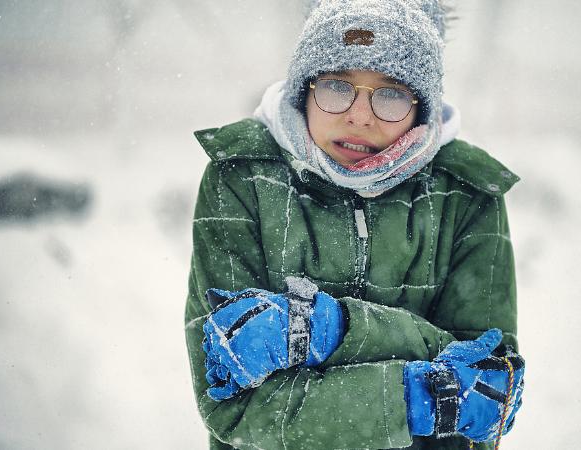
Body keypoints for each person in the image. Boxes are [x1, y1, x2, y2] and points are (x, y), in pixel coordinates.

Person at [184, 1, 525, 449]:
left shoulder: (466, 194)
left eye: (390, 93)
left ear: (421, 106)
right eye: (337, 85)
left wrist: (330, 330)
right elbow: (233, 407)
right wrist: (421, 396)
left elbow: (486, 393)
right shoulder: (243, 177)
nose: (359, 116)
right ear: (305, 89)